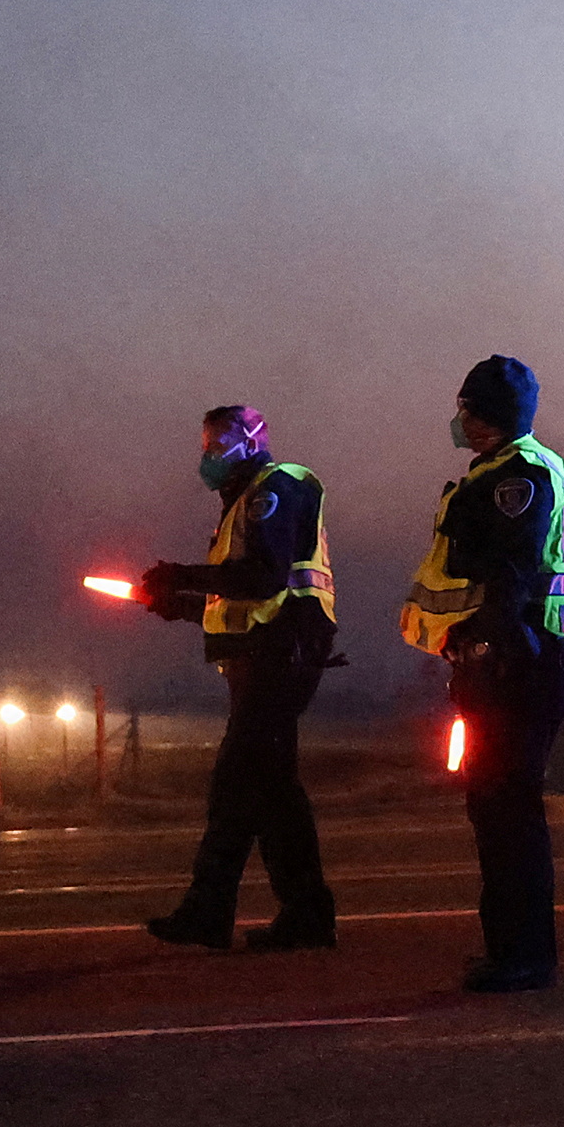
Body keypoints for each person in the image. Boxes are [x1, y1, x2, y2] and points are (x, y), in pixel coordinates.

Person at [399, 353, 564, 992]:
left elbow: (513, 569)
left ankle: (524, 957)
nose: (459, 418)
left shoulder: (518, 474)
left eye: (467, 407)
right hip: (503, 662)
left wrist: (488, 643)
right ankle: (512, 952)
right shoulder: (503, 471)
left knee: (507, 814)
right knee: (494, 811)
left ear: (488, 415)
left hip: (514, 667)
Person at [134, 403, 340, 952]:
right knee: (273, 792)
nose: (205, 457)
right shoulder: (244, 504)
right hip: (265, 655)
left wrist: (182, 573)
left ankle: (210, 910)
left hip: (281, 655)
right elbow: (238, 596)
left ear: (248, 442)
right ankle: (307, 914)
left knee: (236, 782)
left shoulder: (275, 490)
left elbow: (264, 579)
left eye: (213, 444)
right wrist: (179, 603)